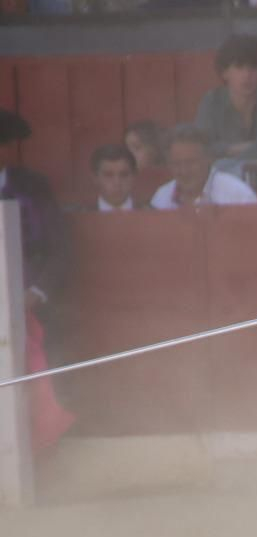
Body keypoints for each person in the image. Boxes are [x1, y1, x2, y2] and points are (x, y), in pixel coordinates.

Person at [0, 109, 74, 452]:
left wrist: (37, 292)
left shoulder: (32, 186)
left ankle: (47, 453)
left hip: (34, 307)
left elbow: (60, 248)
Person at [195, 34, 257, 174]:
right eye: (239, 67)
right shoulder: (212, 100)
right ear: (225, 72)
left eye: (254, 68)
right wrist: (232, 149)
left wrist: (223, 159)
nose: (247, 75)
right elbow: (200, 148)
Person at [149, 125, 257, 208]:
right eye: (176, 164)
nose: (184, 171)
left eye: (190, 163)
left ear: (208, 159)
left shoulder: (238, 195)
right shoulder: (161, 197)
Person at [91, 143, 140, 211]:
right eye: (108, 175)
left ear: (134, 177)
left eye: (124, 175)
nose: (117, 183)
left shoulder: (153, 213)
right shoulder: (76, 217)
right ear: (95, 178)